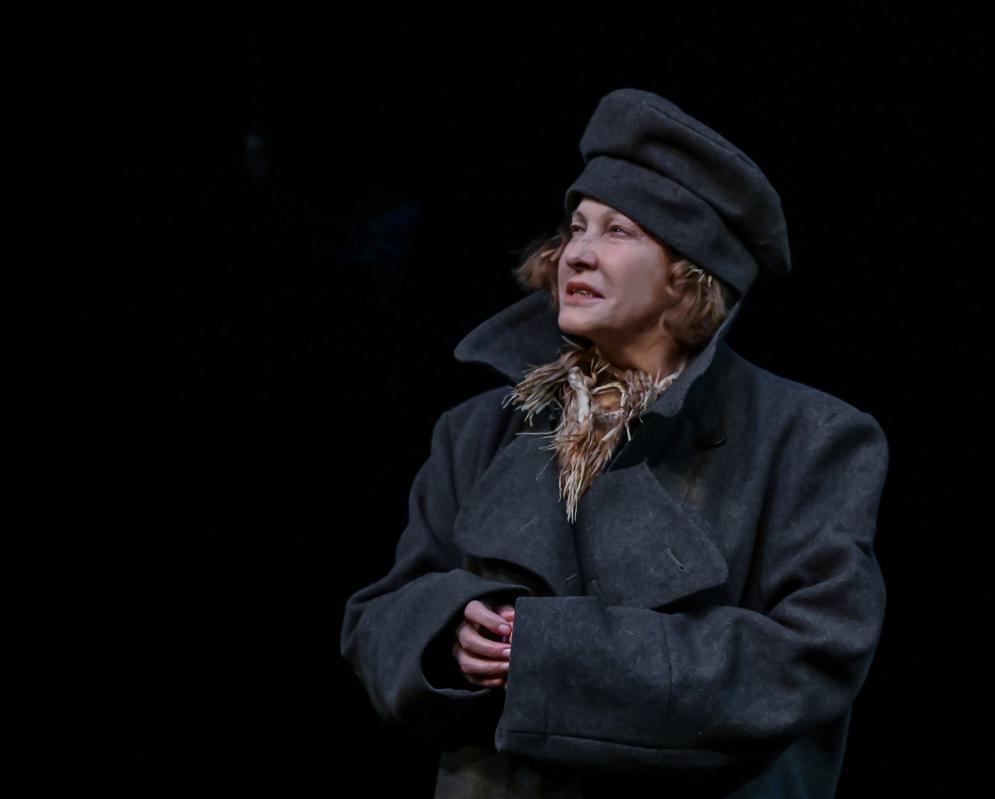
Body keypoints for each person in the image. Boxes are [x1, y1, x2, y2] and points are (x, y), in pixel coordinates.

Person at [340, 88, 890, 798]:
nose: (577, 253)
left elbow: (810, 659)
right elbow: (378, 617)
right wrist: (449, 629)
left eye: (618, 230)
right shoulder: (478, 430)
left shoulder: (808, 438)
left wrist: (551, 653)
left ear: (688, 273)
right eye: (576, 228)